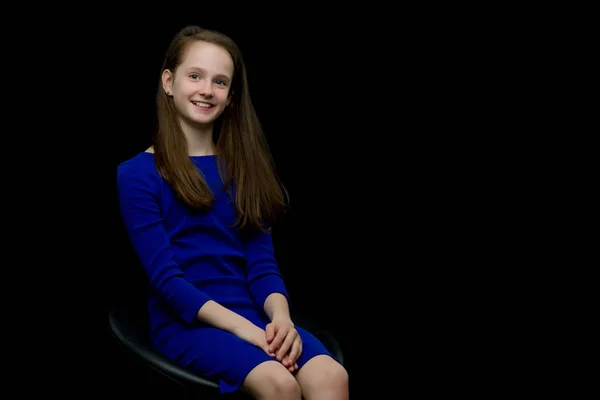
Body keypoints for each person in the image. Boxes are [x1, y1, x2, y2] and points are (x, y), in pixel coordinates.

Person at [116, 25, 349, 399]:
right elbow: (168, 284)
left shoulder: (243, 169)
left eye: (220, 82)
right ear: (168, 81)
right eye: (195, 76)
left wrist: (281, 320)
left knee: (331, 376)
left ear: (231, 96)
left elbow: (262, 267)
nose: (207, 89)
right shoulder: (136, 174)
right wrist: (248, 332)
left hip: (255, 312)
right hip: (188, 321)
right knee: (278, 382)